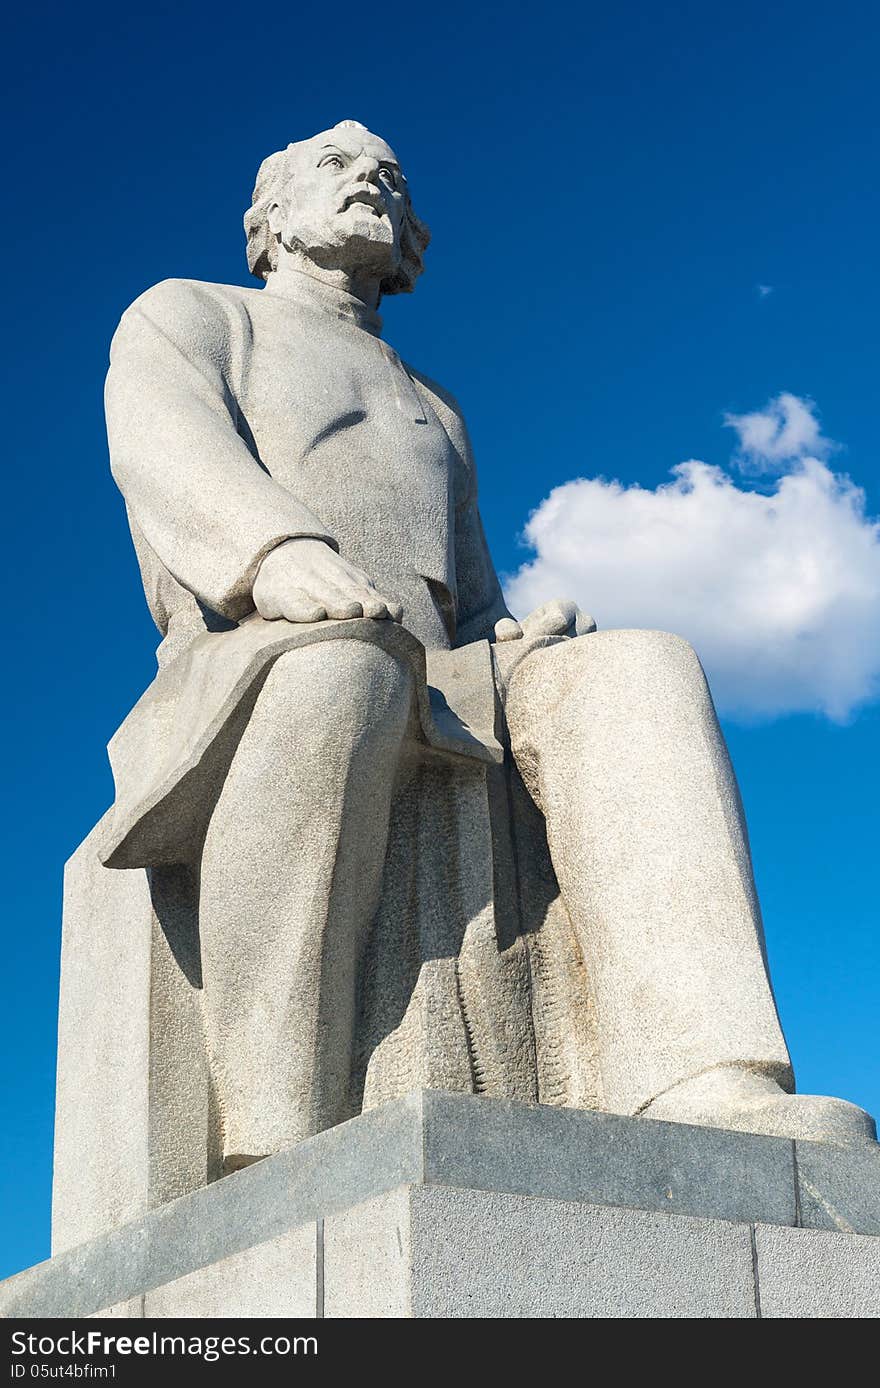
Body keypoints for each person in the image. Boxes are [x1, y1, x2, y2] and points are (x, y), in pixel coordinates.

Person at [102, 120, 875, 1164]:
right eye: (337, 166)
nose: (372, 178)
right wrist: (273, 553)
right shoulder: (194, 316)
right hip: (253, 649)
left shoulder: (437, 407)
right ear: (269, 220)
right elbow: (162, 440)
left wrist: (503, 637)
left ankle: (702, 1079)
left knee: (635, 665)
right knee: (344, 667)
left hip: (436, 667)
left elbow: (462, 595)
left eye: (390, 173)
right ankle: (272, 1128)